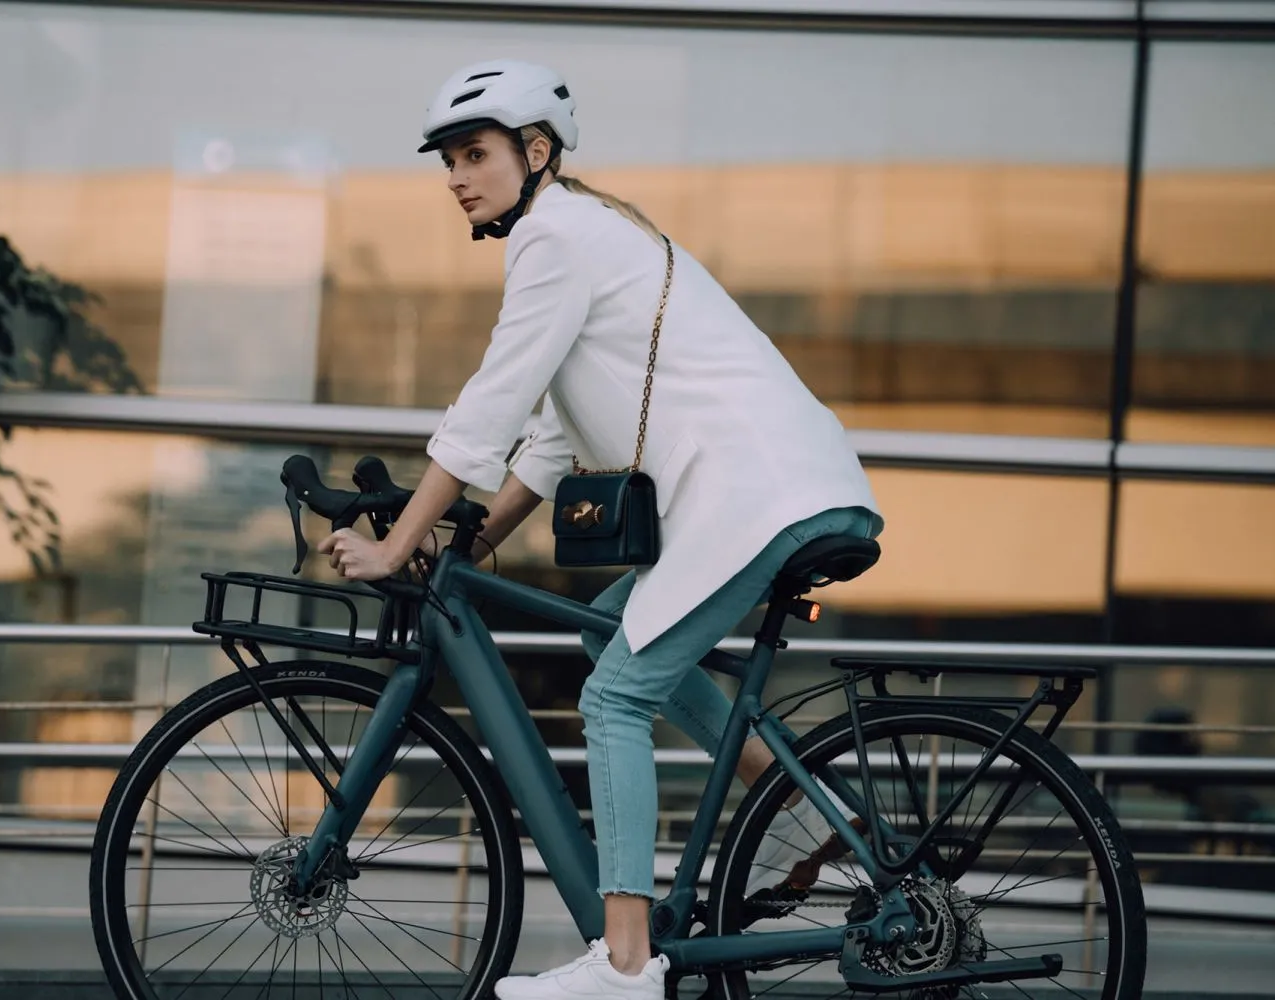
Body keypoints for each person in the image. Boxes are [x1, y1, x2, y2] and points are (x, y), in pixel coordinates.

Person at [318, 58, 883, 1000]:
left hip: (753, 496)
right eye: (447, 159)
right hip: (775, 490)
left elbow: (491, 405)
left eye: (474, 153)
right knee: (608, 627)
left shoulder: (554, 240)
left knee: (615, 697)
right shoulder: (587, 232)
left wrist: (394, 539)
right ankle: (805, 815)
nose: (456, 175)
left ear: (534, 153)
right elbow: (542, 438)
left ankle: (625, 965)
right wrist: (472, 539)